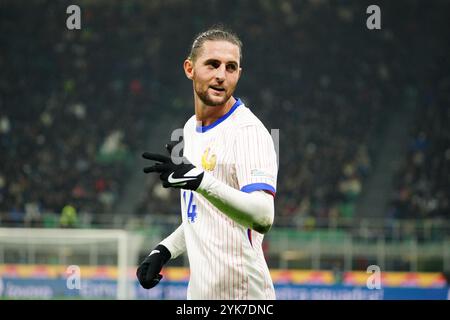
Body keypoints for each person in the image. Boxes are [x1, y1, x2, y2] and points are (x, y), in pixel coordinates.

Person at [137, 26, 278, 299]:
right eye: (212, 64)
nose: (221, 76)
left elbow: (263, 216)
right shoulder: (190, 129)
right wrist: (165, 249)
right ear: (189, 69)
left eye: (231, 67)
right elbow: (204, 214)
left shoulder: (248, 132)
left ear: (239, 74)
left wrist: (200, 180)